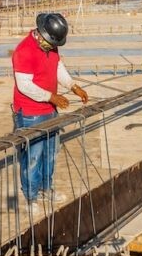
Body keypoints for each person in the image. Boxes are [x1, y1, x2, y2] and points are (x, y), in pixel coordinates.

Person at [11, 12, 89, 205]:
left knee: (50, 154)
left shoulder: (51, 47)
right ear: (41, 32)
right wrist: (52, 97)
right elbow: (25, 86)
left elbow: (57, 68)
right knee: (33, 157)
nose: (53, 47)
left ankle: (46, 189)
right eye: (50, 42)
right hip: (30, 113)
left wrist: (73, 86)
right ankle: (31, 197)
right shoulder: (24, 50)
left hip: (49, 111)